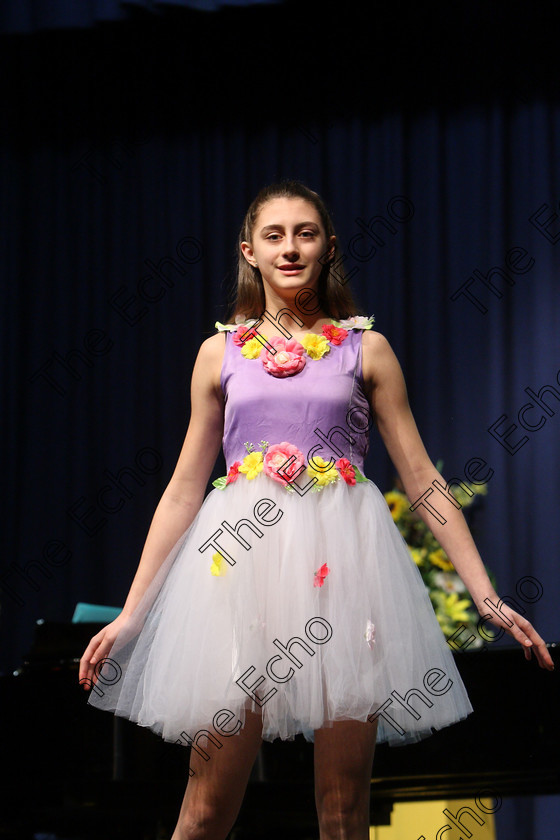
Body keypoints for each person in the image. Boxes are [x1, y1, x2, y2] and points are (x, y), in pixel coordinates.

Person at [79, 181, 554, 840]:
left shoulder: (367, 349)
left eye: (305, 233)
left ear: (328, 247)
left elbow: (420, 478)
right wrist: (133, 613)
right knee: (205, 809)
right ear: (250, 251)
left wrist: (486, 595)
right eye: (274, 235)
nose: (290, 248)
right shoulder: (220, 355)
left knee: (341, 808)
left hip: (342, 575)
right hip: (240, 576)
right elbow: (185, 488)